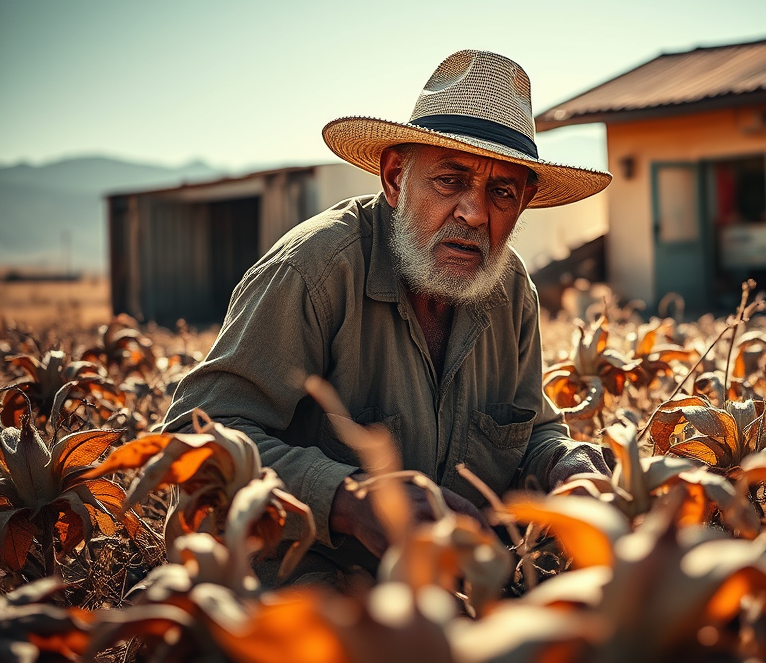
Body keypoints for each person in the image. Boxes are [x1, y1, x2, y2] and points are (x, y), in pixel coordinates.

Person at [161, 50, 613, 587]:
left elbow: (532, 427)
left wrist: (564, 463)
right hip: (309, 593)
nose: (474, 212)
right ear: (396, 178)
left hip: (461, 587)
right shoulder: (315, 271)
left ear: (522, 205)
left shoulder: (511, 291)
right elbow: (195, 438)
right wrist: (350, 498)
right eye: (450, 180)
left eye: (501, 192)